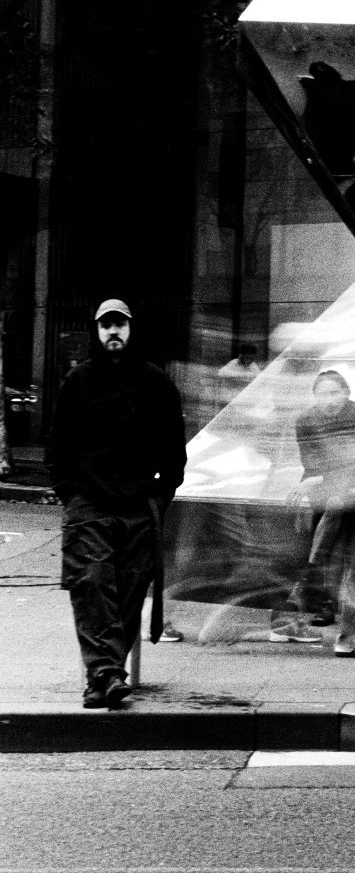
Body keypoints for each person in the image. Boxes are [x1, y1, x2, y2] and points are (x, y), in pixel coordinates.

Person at [45, 298, 187, 708]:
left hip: (140, 503)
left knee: (129, 588)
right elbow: (58, 445)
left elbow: (173, 448)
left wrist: (162, 492)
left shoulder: (156, 383)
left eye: (119, 325)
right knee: (90, 582)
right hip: (89, 502)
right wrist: (70, 493)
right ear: (96, 330)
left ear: (131, 329)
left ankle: (103, 679)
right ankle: (107, 673)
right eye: (106, 325)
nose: (113, 332)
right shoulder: (78, 381)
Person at [285, 370, 355, 657]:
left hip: (353, 489)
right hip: (335, 493)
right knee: (352, 562)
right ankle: (351, 638)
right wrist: (320, 483)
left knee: (352, 562)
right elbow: (312, 462)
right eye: (322, 394)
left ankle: (308, 578)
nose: (329, 400)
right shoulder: (305, 420)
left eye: (335, 393)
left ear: (347, 392)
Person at [217, 342, 260, 410]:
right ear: (242, 355)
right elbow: (220, 373)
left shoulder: (253, 366)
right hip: (228, 401)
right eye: (248, 357)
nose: (250, 360)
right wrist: (243, 375)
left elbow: (258, 380)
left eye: (252, 358)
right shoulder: (233, 363)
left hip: (242, 402)